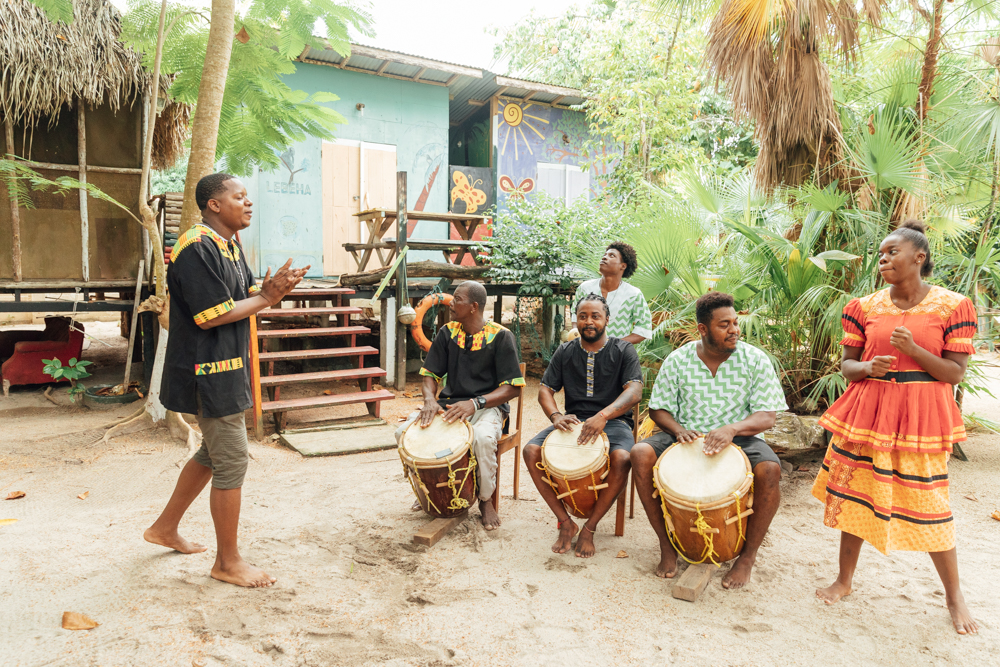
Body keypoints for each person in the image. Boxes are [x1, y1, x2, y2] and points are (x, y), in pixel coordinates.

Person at [812, 221, 978, 635]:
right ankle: (844, 580)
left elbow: (954, 374)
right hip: (869, 414)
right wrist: (869, 366)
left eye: (892, 252)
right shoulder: (863, 306)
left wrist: (913, 350)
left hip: (921, 419)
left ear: (918, 257)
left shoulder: (953, 306)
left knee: (932, 506)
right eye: (881, 254)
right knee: (856, 493)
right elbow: (848, 368)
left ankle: (955, 598)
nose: (883, 259)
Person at [144, 173, 309, 588]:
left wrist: (272, 290)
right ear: (214, 205)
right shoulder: (196, 248)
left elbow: (244, 295)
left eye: (247, 196)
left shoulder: (228, 244)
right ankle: (227, 563)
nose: (248, 203)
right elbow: (211, 314)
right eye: (239, 197)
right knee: (232, 459)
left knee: (212, 453)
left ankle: (164, 528)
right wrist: (267, 298)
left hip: (227, 366)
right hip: (206, 371)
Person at [631, 292, 787, 589]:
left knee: (770, 470)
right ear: (703, 329)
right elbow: (658, 408)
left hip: (740, 438)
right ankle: (666, 545)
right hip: (687, 435)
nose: (734, 330)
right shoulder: (679, 360)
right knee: (639, 453)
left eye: (735, 323)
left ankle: (747, 558)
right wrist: (677, 430)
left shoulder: (755, 360)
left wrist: (732, 429)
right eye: (724, 324)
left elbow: (767, 416)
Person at [396, 281, 525, 531]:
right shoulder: (447, 332)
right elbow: (429, 375)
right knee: (403, 433)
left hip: (487, 408)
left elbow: (513, 388)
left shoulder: (501, 336)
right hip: (449, 406)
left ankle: (486, 500)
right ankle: (430, 488)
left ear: (474, 307)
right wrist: (430, 400)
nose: (451, 303)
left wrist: (475, 403)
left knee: (483, 439)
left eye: (457, 299)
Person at [524, 294, 644, 558]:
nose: (589, 322)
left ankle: (589, 528)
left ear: (607, 320)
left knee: (622, 457)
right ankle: (566, 523)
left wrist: (604, 415)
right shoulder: (565, 351)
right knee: (531, 451)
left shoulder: (623, 350)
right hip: (573, 421)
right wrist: (556, 416)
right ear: (575, 320)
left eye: (595, 316)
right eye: (582, 316)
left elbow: (634, 391)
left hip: (613, 422)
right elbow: (545, 390)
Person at [572, 242, 652, 344]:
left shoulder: (633, 294)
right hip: (585, 351)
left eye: (612, 256)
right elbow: (575, 316)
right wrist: (578, 338)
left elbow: (644, 328)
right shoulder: (585, 288)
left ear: (623, 266)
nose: (605, 258)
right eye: (605, 255)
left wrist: (614, 345)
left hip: (616, 356)